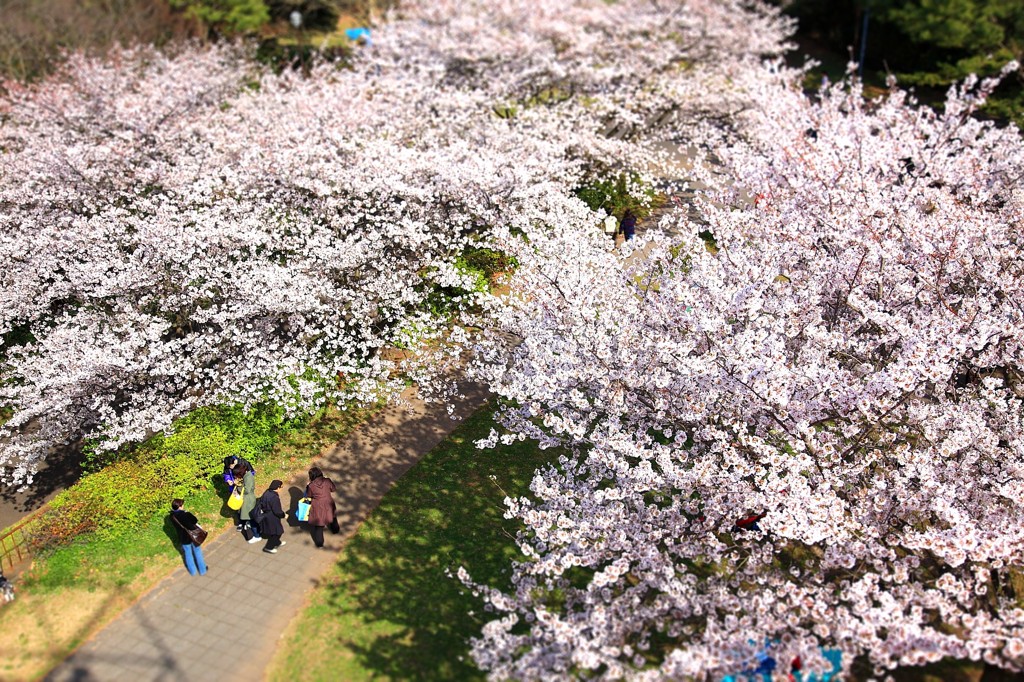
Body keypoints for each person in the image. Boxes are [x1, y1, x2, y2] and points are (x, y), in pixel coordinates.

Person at [170, 498, 207, 576]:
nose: (183, 506)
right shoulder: (185, 514)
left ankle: (192, 571)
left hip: (183, 537)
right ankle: (202, 570)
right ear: (180, 506)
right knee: (197, 552)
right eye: (182, 505)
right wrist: (188, 514)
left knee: (188, 553)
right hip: (193, 537)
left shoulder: (172, 516)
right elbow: (194, 522)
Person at [306, 466, 340, 548]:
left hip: (317, 506)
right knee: (333, 517)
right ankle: (335, 530)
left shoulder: (310, 486)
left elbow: (309, 496)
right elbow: (333, 489)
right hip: (328, 503)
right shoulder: (327, 481)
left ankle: (319, 543)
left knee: (319, 525)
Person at [233, 463, 261, 543]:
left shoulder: (248, 478)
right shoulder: (247, 476)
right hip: (248, 500)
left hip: (248, 501)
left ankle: (257, 535)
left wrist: (238, 486)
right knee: (251, 519)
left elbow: (247, 490)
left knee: (252, 519)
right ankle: (256, 534)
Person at [257, 480, 287, 554]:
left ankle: (277, 542)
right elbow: (277, 511)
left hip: (266, 515)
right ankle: (269, 547)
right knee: (278, 532)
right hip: (272, 518)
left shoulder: (267, 492)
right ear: (277, 488)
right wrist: (284, 515)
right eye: (281, 487)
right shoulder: (274, 498)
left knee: (273, 531)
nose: (281, 488)